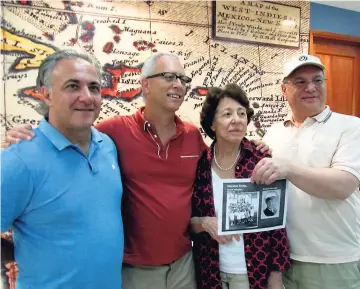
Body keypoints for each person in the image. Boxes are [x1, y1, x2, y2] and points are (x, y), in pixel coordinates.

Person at [5, 52, 270, 289]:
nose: (178, 84)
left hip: (184, 264)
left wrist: (253, 145)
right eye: (168, 76)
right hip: (134, 270)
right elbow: (66, 129)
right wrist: (26, 135)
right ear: (145, 84)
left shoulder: (186, 136)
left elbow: (217, 160)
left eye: (182, 78)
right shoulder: (112, 133)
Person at [1, 50, 124, 289]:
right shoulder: (18, 159)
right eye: (72, 86)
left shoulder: (107, 146)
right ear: (46, 95)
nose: (86, 97)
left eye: (94, 88)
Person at [251, 54, 360, 289]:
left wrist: (287, 168)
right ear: (284, 89)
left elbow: (343, 185)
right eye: (300, 82)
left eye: (317, 80)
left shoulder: (351, 127)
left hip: (333, 261)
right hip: (283, 261)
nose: (311, 88)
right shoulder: (273, 133)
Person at [191, 84, 290, 289]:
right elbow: (189, 220)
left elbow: (277, 225)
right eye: (227, 114)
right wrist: (204, 223)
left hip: (254, 273)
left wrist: (276, 275)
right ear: (212, 124)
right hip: (210, 271)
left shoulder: (261, 160)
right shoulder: (201, 165)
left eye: (241, 113)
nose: (236, 120)